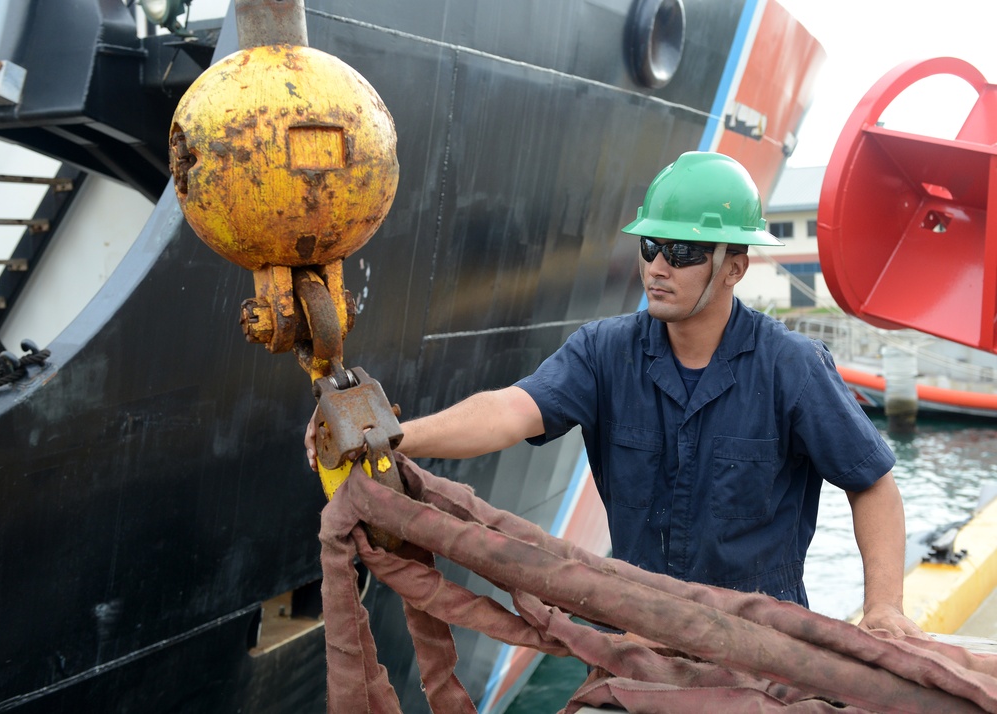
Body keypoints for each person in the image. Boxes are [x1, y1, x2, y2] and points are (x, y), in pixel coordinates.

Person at [306, 151, 922, 637]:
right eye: (651, 246)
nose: (657, 266)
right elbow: (508, 411)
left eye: (682, 252)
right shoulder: (604, 352)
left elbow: (870, 482)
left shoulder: (792, 367)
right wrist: (387, 433)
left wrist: (884, 608)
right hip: (636, 639)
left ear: (735, 266)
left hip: (762, 651)